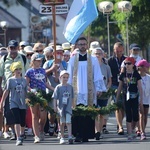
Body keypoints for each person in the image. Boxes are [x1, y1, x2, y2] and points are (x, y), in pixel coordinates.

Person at [67, 37, 106, 142]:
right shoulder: (72, 60)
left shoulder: (92, 59)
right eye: (80, 44)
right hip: (77, 90)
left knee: (88, 112)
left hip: (89, 90)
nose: (82, 46)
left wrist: (99, 88)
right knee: (77, 112)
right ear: (77, 46)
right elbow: (69, 75)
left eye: (84, 44)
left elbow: (98, 74)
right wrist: (68, 89)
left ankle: (87, 134)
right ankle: (77, 134)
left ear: (87, 45)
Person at [0, 40, 29, 140]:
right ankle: (14, 132)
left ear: (18, 48)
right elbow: (0, 74)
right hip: (8, 88)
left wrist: (27, 88)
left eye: (14, 48)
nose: (13, 50)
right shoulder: (4, 59)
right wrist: (1, 88)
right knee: (10, 111)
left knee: (22, 111)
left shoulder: (23, 58)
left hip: (21, 89)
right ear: (8, 48)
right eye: (11, 48)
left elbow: (27, 74)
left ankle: (21, 131)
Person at [25, 53, 54, 143]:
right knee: (35, 116)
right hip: (33, 95)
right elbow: (26, 84)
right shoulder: (29, 72)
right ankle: (36, 136)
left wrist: (54, 89)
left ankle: (41, 130)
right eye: (38, 60)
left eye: (40, 60)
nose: (40, 62)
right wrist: (31, 90)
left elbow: (45, 83)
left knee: (43, 116)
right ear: (33, 61)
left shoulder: (43, 71)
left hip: (43, 94)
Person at [116, 57, 143, 141]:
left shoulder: (136, 74)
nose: (127, 65)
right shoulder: (123, 74)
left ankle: (134, 128)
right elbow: (119, 87)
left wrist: (141, 99)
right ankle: (129, 133)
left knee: (135, 115)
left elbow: (140, 88)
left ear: (133, 64)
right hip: (126, 97)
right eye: (126, 64)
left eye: (129, 63)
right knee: (128, 114)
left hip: (134, 96)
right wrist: (117, 98)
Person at [92, 47, 112, 140]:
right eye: (96, 53)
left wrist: (106, 89)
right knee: (95, 112)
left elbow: (109, 80)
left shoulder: (106, 67)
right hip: (94, 93)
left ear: (103, 55)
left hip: (103, 93)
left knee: (101, 113)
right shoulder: (90, 67)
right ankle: (96, 131)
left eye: (99, 53)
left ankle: (99, 131)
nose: (97, 55)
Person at [108, 42, 126, 135]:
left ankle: (120, 122)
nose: (118, 52)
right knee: (117, 105)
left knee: (123, 106)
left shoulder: (126, 60)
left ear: (123, 50)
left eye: (120, 51)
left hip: (124, 85)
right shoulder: (110, 61)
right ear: (114, 50)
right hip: (114, 85)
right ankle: (120, 127)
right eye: (116, 50)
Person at [53, 70, 74, 144]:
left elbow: (72, 97)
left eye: (67, 77)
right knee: (62, 122)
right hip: (61, 108)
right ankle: (62, 136)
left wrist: (73, 105)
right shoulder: (58, 87)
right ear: (60, 77)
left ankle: (69, 136)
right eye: (64, 77)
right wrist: (55, 106)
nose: (65, 79)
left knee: (68, 121)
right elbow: (55, 98)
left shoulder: (70, 87)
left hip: (68, 107)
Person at [136, 59, 150, 140]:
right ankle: (142, 132)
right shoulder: (136, 77)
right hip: (138, 99)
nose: (147, 67)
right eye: (146, 66)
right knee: (141, 115)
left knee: (145, 115)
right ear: (140, 67)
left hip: (146, 98)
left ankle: (141, 129)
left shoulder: (149, 78)